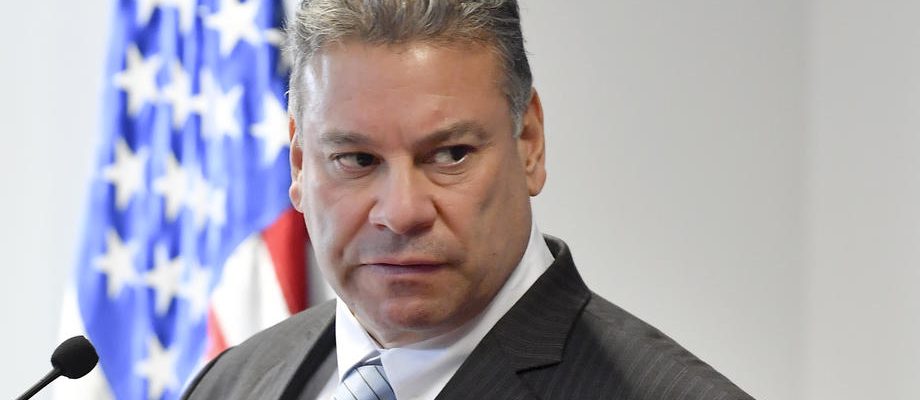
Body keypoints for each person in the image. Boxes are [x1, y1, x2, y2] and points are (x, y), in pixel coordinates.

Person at [182, 1, 754, 399]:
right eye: (356, 160)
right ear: (300, 165)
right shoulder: (228, 384)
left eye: (449, 155)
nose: (401, 213)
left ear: (529, 143)